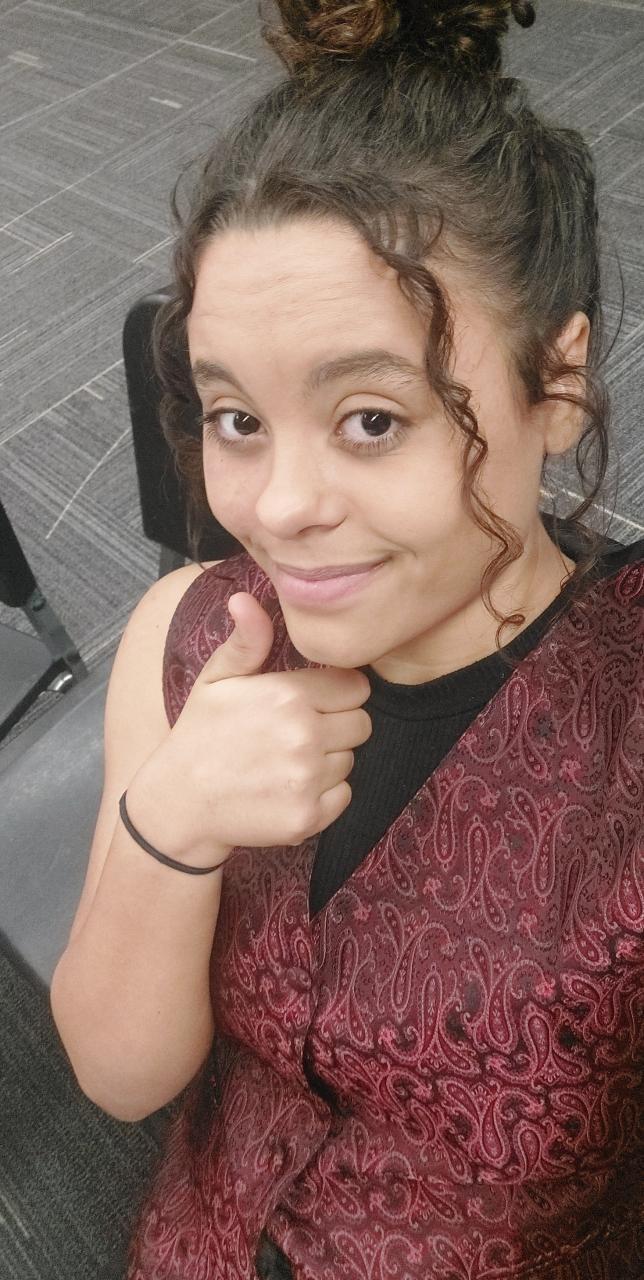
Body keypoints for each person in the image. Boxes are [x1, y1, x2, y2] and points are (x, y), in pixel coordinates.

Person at [50, 0, 643, 1276]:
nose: (276, 508)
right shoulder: (189, 634)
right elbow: (119, 1075)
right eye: (236, 418)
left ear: (552, 384)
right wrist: (171, 823)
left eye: (370, 418)